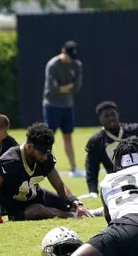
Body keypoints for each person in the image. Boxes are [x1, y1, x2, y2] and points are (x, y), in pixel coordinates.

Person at [0, 122, 92, 221]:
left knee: (71, 204)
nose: (45, 157)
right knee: (37, 210)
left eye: (47, 153)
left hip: (36, 196)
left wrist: (77, 204)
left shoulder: (45, 158)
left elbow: (60, 186)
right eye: (42, 153)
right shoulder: (9, 162)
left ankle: (86, 212)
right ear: (29, 147)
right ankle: (72, 216)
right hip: (14, 208)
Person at [43, 40, 84, 177]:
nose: (71, 60)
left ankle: (74, 169)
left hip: (67, 106)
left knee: (68, 137)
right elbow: (52, 90)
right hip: (52, 106)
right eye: (69, 56)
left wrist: (61, 87)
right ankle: (46, 167)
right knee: (48, 138)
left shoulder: (77, 65)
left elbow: (76, 88)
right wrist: (66, 87)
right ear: (63, 52)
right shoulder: (52, 65)